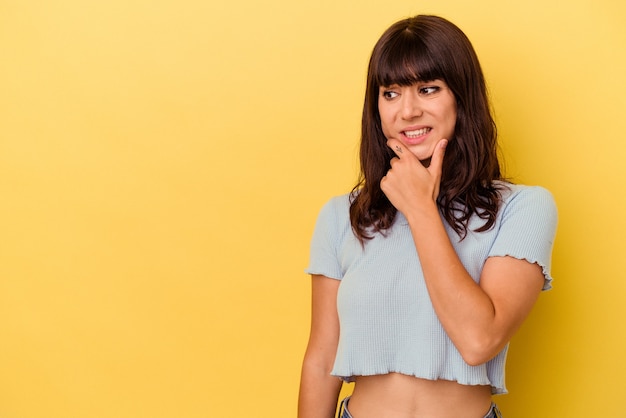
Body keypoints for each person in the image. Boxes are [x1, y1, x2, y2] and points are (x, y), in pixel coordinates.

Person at [297, 14, 558, 418]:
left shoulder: (522, 208)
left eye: (428, 89)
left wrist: (420, 210)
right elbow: (321, 358)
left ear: (461, 98)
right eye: (391, 93)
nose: (408, 110)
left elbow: (478, 340)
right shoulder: (342, 216)